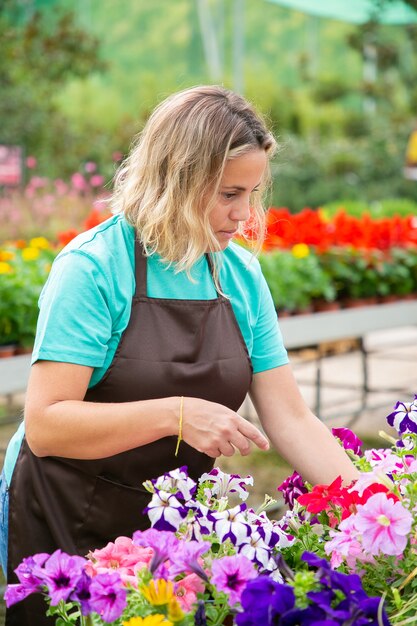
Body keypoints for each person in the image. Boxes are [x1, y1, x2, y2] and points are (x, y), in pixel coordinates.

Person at [0, 85, 358, 625]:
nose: (244, 215)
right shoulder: (93, 269)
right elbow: (47, 423)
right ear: (177, 178)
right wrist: (178, 415)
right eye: (228, 193)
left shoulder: (239, 274)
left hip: (165, 527)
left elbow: (291, 417)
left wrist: (370, 505)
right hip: (62, 514)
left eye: (253, 193)